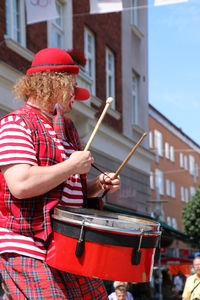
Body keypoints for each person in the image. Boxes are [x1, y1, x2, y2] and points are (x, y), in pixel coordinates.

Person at [0, 48, 120, 300]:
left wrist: (96, 185)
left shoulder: (67, 128)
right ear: (54, 83)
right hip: (29, 245)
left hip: (66, 243)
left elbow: (63, 189)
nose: (75, 96)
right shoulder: (16, 123)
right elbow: (21, 184)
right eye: (72, 88)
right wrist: (71, 166)